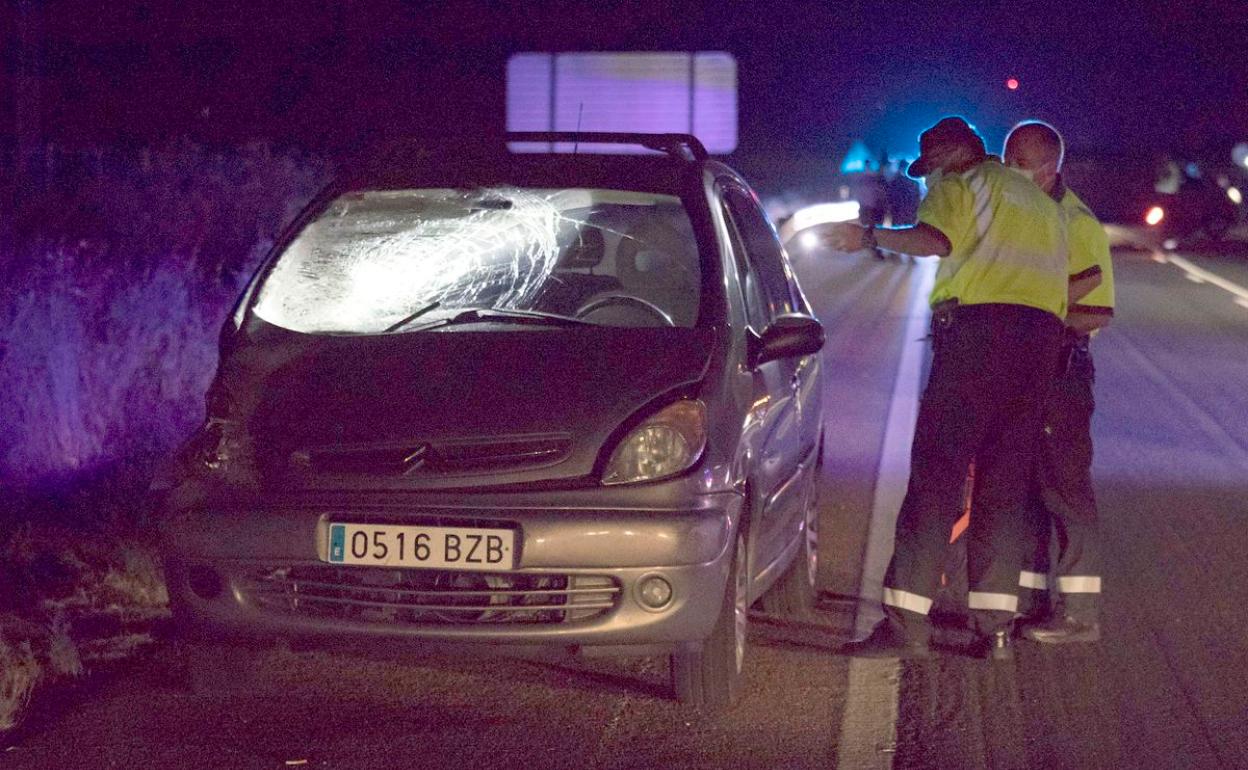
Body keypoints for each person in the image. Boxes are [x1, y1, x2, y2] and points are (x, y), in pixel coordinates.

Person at [821, 116, 1068, 659]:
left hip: (979, 342)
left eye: (929, 172)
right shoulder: (1040, 204)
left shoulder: (962, 185)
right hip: (1041, 347)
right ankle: (996, 631)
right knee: (1002, 490)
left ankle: (907, 627)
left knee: (938, 477)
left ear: (952, 158)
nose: (927, 184)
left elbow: (935, 239)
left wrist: (868, 237)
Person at [1003, 120, 1115, 643]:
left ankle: (1078, 614)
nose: (1010, 170)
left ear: (1050, 169)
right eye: (1007, 159)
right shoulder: (1023, 215)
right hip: (1024, 369)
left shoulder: (1077, 223)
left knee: (1065, 489)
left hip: (1060, 373)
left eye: (1020, 162)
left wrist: (1034, 315)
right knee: (1028, 489)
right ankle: (1033, 602)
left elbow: (1096, 311)